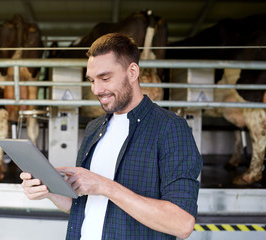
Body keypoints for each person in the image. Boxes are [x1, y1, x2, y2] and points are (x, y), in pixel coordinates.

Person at [20, 33, 203, 240]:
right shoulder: (94, 128)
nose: (97, 89)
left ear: (132, 72)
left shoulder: (170, 128)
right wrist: (49, 190)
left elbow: (182, 223)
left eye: (105, 78)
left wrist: (105, 186)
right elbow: (82, 207)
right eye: (91, 80)